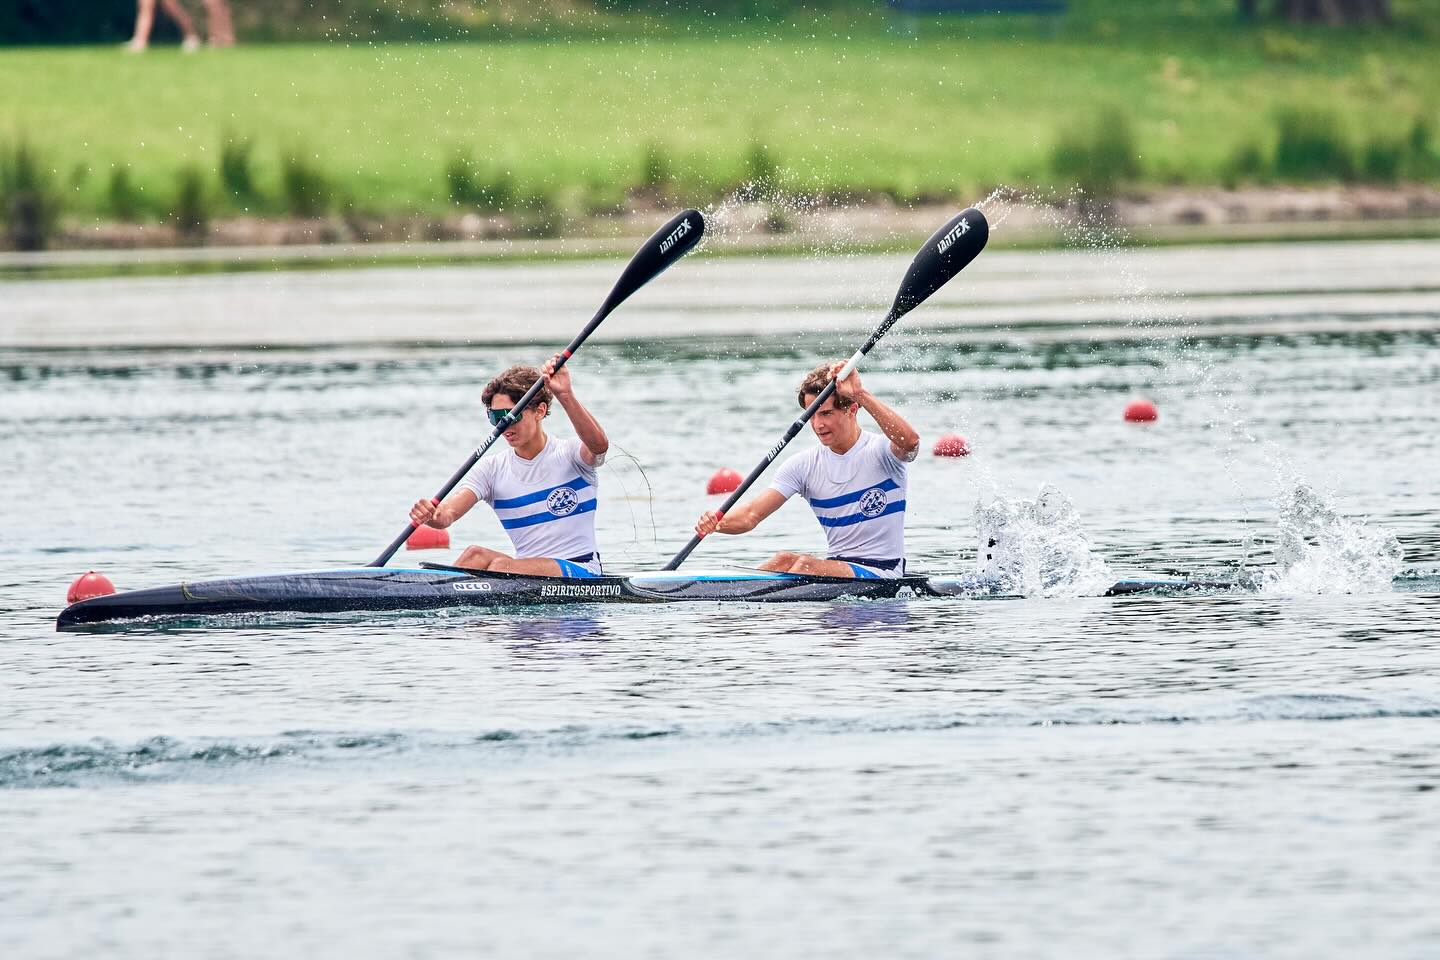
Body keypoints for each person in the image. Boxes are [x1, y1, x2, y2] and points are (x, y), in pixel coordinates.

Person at [693, 362, 920, 579]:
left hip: (884, 572)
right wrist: (717, 523)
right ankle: (736, 604)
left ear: (851, 410)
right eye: (812, 415)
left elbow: (910, 442)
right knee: (783, 560)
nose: (817, 425)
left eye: (826, 413)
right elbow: (751, 515)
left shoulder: (883, 452)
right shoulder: (803, 465)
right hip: (838, 568)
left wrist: (860, 393)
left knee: (805, 565)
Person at [408, 357, 609, 578]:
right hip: (523, 573)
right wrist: (431, 515)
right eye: (496, 417)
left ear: (540, 411)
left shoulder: (571, 455)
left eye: (511, 416)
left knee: (500, 567)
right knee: (474, 556)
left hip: (581, 570)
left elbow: (599, 445)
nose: (504, 426)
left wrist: (565, 396)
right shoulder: (492, 469)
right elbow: (446, 515)